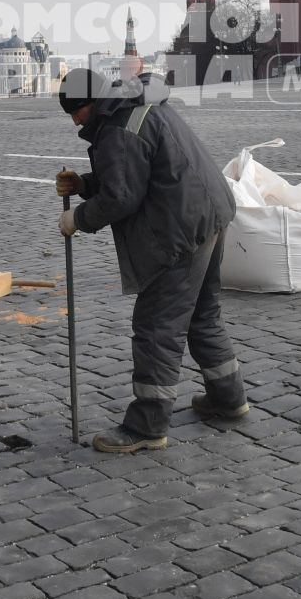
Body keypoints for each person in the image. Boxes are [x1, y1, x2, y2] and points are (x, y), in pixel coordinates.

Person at [55, 68, 247, 454]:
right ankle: (228, 399)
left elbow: (123, 196)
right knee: (201, 314)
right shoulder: (135, 106)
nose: (74, 122)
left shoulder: (117, 128)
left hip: (179, 231)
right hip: (209, 213)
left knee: (157, 326)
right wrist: (85, 184)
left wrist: (78, 218)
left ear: (88, 105)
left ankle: (147, 426)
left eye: (74, 113)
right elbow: (135, 170)